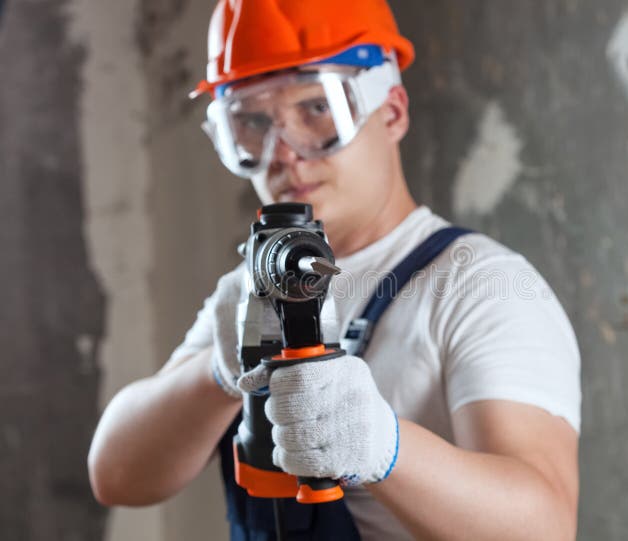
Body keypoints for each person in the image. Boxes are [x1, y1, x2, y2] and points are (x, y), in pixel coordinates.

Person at [88, 1, 582, 539]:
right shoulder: (254, 290)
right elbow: (117, 476)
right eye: (253, 124)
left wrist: (383, 446)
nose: (286, 155)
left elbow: (544, 526)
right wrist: (218, 371)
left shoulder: (482, 286)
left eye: (318, 110)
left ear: (391, 112)